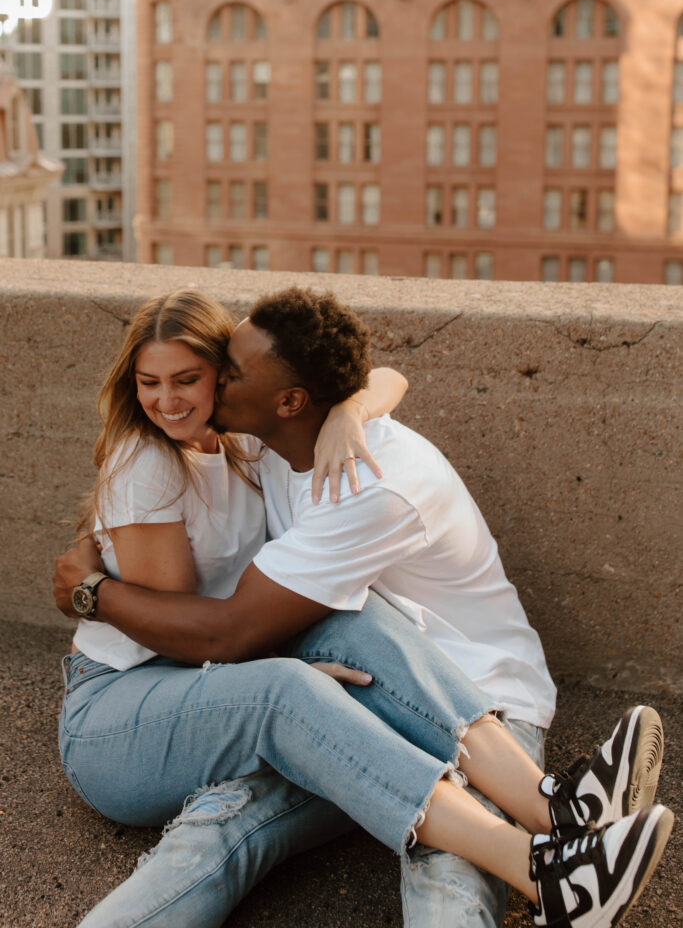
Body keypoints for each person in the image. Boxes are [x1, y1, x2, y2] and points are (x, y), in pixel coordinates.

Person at [53, 288, 672, 928]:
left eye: (202, 375)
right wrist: (91, 593)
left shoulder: (251, 444)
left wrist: (351, 407)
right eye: (149, 381)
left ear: (274, 396)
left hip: (451, 686)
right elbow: (205, 637)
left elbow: (381, 375)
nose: (170, 397)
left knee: (393, 831)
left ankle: (559, 821)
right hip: (146, 700)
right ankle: (555, 862)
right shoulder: (183, 452)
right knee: (248, 778)